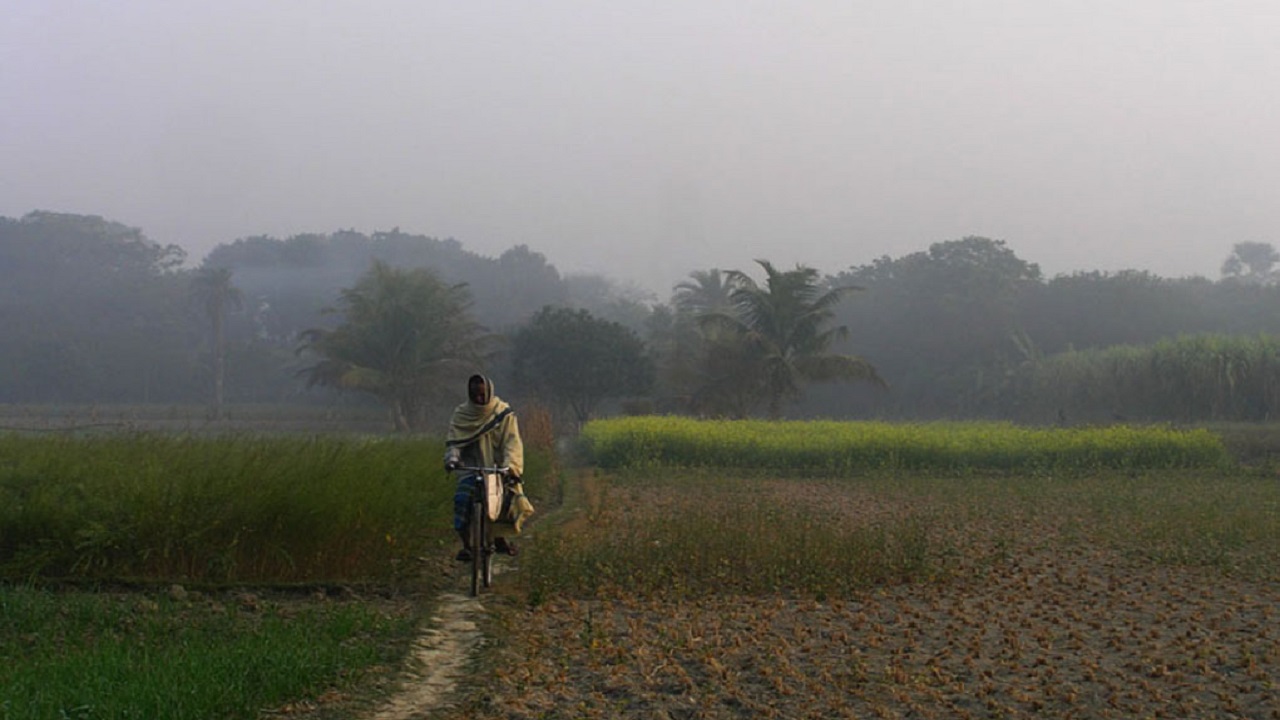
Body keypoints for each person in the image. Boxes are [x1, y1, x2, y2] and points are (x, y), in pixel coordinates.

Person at [443, 373, 526, 562]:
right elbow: (454, 442)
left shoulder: (502, 413)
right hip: (470, 468)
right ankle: (467, 547)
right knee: (461, 502)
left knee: (503, 502)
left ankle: (500, 538)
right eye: (475, 395)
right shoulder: (462, 414)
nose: (479, 399)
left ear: (489, 392)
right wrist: (452, 460)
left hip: (496, 469)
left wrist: (510, 466)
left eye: (482, 395)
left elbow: (511, 442)